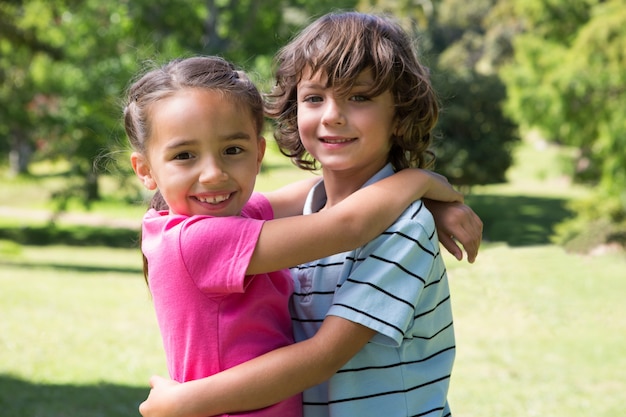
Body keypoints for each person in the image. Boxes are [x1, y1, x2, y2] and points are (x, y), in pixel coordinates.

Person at [125, 54, 471, 417]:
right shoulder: (198, 240)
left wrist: (422, 200)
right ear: (145, 170)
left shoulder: (226, 220)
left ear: (258, 153)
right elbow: (347, 226)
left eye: (232, 150)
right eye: (184, 155)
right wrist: (419, 180)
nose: (213, 174)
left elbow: (332, 189)